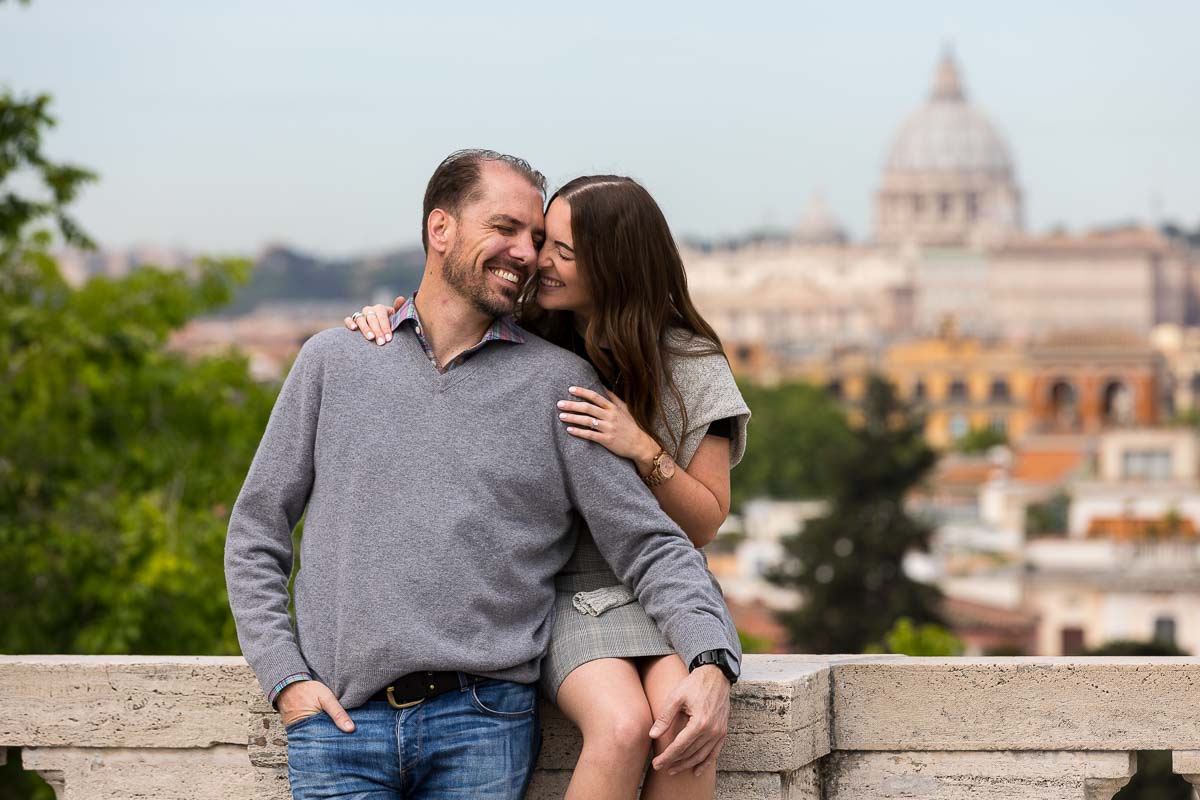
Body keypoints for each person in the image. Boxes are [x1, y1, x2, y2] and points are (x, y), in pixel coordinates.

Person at [224, 149, 741, 800]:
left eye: (539, 239)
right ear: (440, 230)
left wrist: (712, 660)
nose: (527, 254)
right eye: (507, 229)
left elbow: (654, 544)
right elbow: (255, 533)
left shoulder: (561, 383)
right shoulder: (336, 361)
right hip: (339, 725)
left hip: (483, 724)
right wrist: (284, 678)